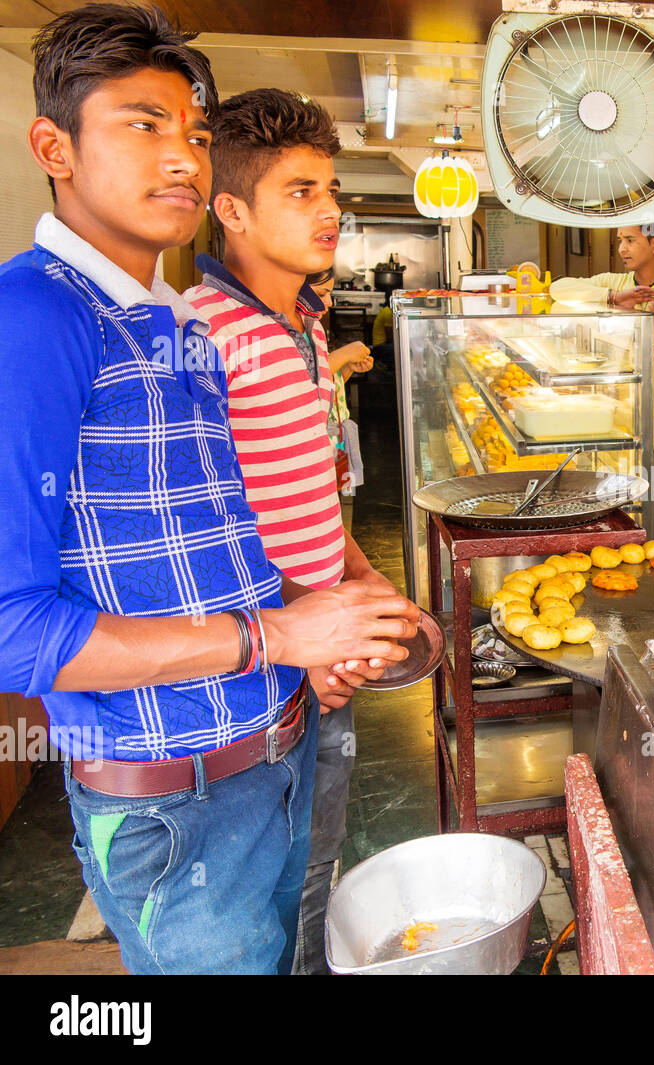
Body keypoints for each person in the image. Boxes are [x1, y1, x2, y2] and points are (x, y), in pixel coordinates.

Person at [0, 4, 417, 975]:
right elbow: (13, 631)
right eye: (142, 126)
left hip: (268, 754)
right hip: (170, 805)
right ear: (52, 145)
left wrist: (330, 621)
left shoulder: (171, 328)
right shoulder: (37, 319)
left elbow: (245, 531)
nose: (183, 158)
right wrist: (281, 635)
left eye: (192, 133)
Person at [184, 88, 416, 975]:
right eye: (299, 191)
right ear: (231, 209)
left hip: (321, 655)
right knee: (260, 900)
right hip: (263, 672)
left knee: (314, 872)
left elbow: (308, 492)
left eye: (330, 189)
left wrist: (363, 584)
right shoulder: (204, 338)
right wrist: (304, 641)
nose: (328, 212)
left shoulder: (303, 328)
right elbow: (213, 525)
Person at [551, 221, 654, 542]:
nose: (622, 249)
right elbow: (557, 291)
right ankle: (645, 580)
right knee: (636, 509)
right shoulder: (613, 283)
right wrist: (613, 298)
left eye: (630, 240)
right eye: (620, 240)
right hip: (626, 417)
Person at [308, 268, 373, 495]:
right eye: (321, 294)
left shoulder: (313, 328)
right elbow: (306, 381)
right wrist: (344, 354)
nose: (329, 302)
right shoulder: (289, 332)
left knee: (334, 493)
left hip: (334, 436)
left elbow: (328, 387)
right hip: (314, 443)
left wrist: (346, 369)